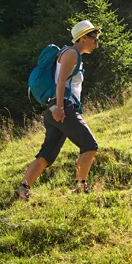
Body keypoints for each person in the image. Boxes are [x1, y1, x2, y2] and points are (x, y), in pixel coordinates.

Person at [17, 21, 101, 200]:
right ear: (83, 37)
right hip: (62, 108)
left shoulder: (70, 54)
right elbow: (61, 81)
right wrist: (61, 107)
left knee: (46, 155)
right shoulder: (71, 53)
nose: (96, 44)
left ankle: (23, 190)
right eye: (94, 38)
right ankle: (80, 187)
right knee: (90, 145)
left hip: (54, 108)